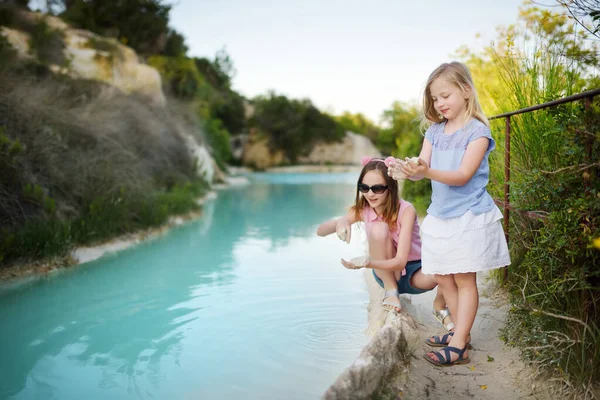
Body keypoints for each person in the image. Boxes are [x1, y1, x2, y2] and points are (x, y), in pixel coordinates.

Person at [392, 61, 511, 367]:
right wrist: (406, 170)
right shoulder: (434, 131)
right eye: (434, 98)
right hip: (441, 216)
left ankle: (459, 343)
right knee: (444, 278)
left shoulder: (478, 133)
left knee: (463, 279)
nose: (439, 103)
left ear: (466, 91)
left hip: (468, 216)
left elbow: (461, 175)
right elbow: (422, 169)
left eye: (445, 95)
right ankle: (461, 331)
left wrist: (426, 170)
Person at [316, 156, 453, 329]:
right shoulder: (364, 210)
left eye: (377, 188)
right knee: (378, 229)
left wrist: (367, 263)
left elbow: (401, 261)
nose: (370, 194)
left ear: (390, 188)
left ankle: (439, 307)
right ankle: (391, 291)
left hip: (414, 271)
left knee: (447, 269)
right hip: (387, 275)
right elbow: (320, 231)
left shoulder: (406, 211)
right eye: (364, 188)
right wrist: (342, 221)